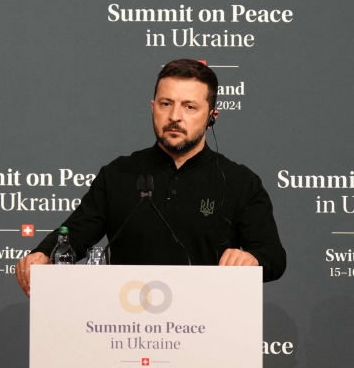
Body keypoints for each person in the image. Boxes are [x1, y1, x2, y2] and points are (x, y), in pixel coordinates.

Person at [16, 59, 285, 295]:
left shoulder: (240, 181)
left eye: (190, 107)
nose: (175, 117)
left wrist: (252, 259)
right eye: (166, 104)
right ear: (153, 106)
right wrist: (42, 254)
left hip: (206, 329)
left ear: (212, 117)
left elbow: (272, 257)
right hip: (125, 327)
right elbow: (75, 234)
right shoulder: (119, 173)